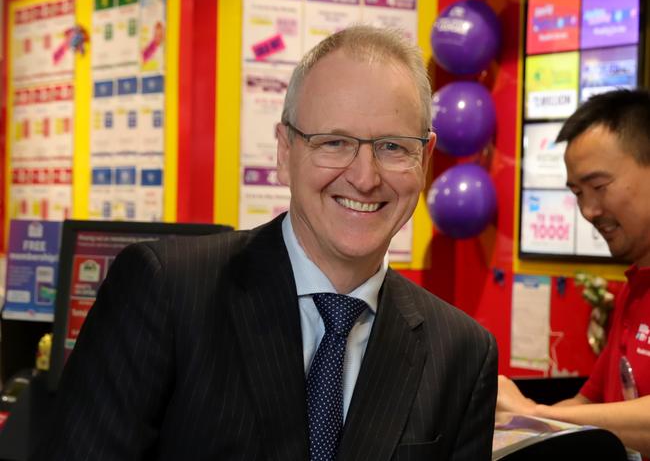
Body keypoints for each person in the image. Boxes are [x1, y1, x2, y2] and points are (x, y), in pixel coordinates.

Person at [33, 25, 497, 461]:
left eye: (393, 147)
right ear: (283, 153)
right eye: (333, 142)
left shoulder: (461, 353)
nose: (364, 176)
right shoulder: (167, 292)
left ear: (426, 158)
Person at [497, 89, 650, 458]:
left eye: (598, 187)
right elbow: (588, 403)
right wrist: (514, 425)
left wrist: (531, 413)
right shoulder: (634, 290)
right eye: (577, 193)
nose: (588, 210)